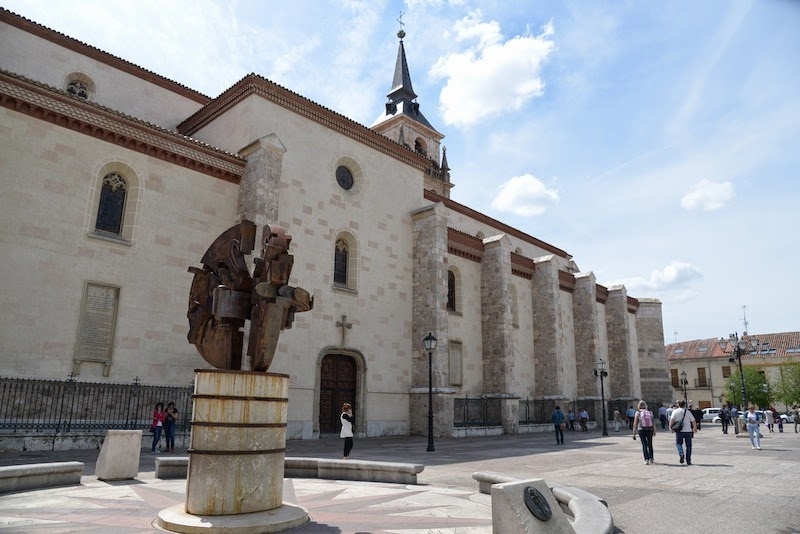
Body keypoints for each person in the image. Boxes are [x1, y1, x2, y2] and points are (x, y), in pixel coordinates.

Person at [669, 399, 696, 465]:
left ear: (678, 404)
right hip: (688, 430)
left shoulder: (675, 411)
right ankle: (688, 460)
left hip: (679, 430)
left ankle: (681, 453)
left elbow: (672, 420)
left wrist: (670, 427)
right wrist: (694, 427)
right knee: (688, 446)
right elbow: (693, 420)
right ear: (684, 405)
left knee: (678, 443)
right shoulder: (688, 411)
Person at [632, 400, 656, 464]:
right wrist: (654, 431)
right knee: (650, 444)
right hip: (649, 429)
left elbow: (635, 423)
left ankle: (646, 459)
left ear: (639, 406)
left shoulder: (638, 412)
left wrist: (634, 433)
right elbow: (653, 423)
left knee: (644, 444)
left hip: (641, 429)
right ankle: (651, 458)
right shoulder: (650, 412)